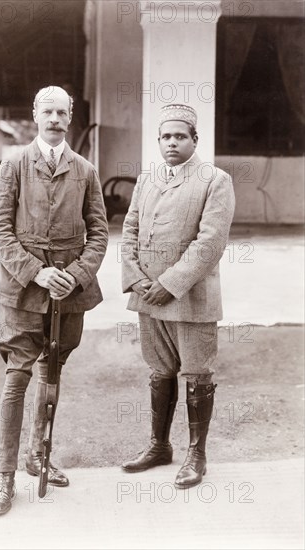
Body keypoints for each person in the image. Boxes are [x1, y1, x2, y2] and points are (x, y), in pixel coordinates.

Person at [0, 85, 108, 515]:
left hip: (69, 295)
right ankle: (4, 475)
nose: (55, 119)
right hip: (22, 291)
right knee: (17, 376)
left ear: (70, 117)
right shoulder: (14, 164)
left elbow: (99, 233)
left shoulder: (86, 170)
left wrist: (73, 276)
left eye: (62, 112)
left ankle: (38, 455)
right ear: (35, 115)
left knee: (53, 369)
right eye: (48, 111)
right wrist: (37, 272)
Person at [121, 104, 235, 489]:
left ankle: (196, 454)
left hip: (190, 296)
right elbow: (130, 228)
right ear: (158, 141)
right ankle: (158, 446)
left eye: (180, 136)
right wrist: (135, 278)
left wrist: (168, 283)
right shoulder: (147, 179)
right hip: (148, 296)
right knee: (159, 369)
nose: (172, 143)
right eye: (166, 137)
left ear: (195, 140)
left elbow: (210, 243)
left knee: (197, 373)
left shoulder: (214, 179)